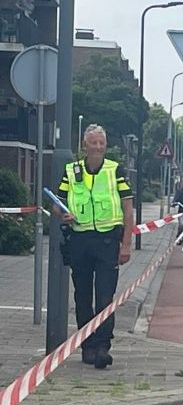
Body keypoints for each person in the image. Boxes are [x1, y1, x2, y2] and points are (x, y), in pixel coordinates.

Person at [57, 124, 134, 369]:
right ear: (85, 145)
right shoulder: (71, 171)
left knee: (104, 296)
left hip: (107, 242)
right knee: (82, 297)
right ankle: (87, 346)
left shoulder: (115, 170)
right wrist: (63, 214)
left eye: (102, 143)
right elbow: (57, 203)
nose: (98, 147)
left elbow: (128, 208)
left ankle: (102, 347)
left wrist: (126, 245)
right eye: (94, 143)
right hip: (79, 240)